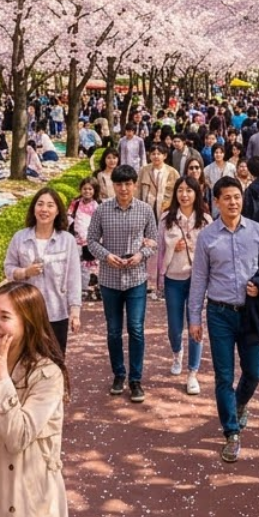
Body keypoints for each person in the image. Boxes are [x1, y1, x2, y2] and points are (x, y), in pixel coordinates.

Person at [0, 281, 70, 517]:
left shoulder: (46, 375)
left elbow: (17, 437)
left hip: (26, 507)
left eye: (5, 317)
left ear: (28, 323)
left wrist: (3, 379)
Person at [190, 175, 259, 462]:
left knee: (255, 371)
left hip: (250, 313)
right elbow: (199, 279)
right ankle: (231, 432)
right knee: (224, 376)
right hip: (219, 313)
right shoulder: (207, 237)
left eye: (237, 196)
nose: (233, 202)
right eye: (227, 198)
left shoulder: (256, 231)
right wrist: (194, 318)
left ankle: (239, 403)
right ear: (216, 202)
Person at [86, 164, 158, 403]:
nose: (124, 189)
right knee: (114, 330)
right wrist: (106, 256)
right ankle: (119, 374)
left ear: (134, 185)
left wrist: (141, 255)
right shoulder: (102, 210)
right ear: (113, 186)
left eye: (128, 184)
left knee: (136, 328)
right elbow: (91, 240)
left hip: (136, 278)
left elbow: (153, 240)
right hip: (110, 278)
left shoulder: (145, 210)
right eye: (119, 184)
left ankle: (136, 379)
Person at [4, 188, 82, 350]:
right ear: (34, 209)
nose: (44, 209)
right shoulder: (20, 238)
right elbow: (8, 268)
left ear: (57, 211)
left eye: (50, 205)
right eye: (40, 204)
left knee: (55, 359)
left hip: (56, 313)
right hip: (26, 312)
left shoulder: (67, 240)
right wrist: (25, 272)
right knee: (25, 359)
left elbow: (74, 278)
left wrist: (75, 313)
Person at [157, 177, 208, 392]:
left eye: (189, 190)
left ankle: (192, 373)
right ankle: (177, 353)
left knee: (196, 325)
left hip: (197, 281)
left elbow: (211, 251)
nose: (184, 195)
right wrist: (173, 248)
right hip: (173, 279)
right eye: (180, 190)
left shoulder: (205, 220)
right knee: (175, 327)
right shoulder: (166, 219)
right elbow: (159, 250)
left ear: (196, 193)